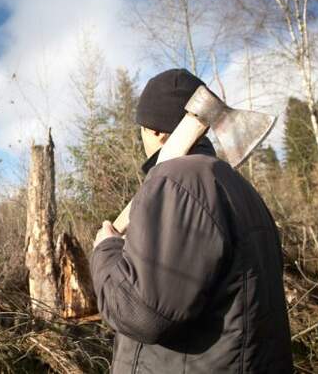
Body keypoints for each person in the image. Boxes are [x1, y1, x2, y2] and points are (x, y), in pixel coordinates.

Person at [89, 68, 293, 373]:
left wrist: (106, 250)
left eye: (141, 129)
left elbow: (141, 314)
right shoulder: (237, 187)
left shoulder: (178, 181)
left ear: (156, 131)